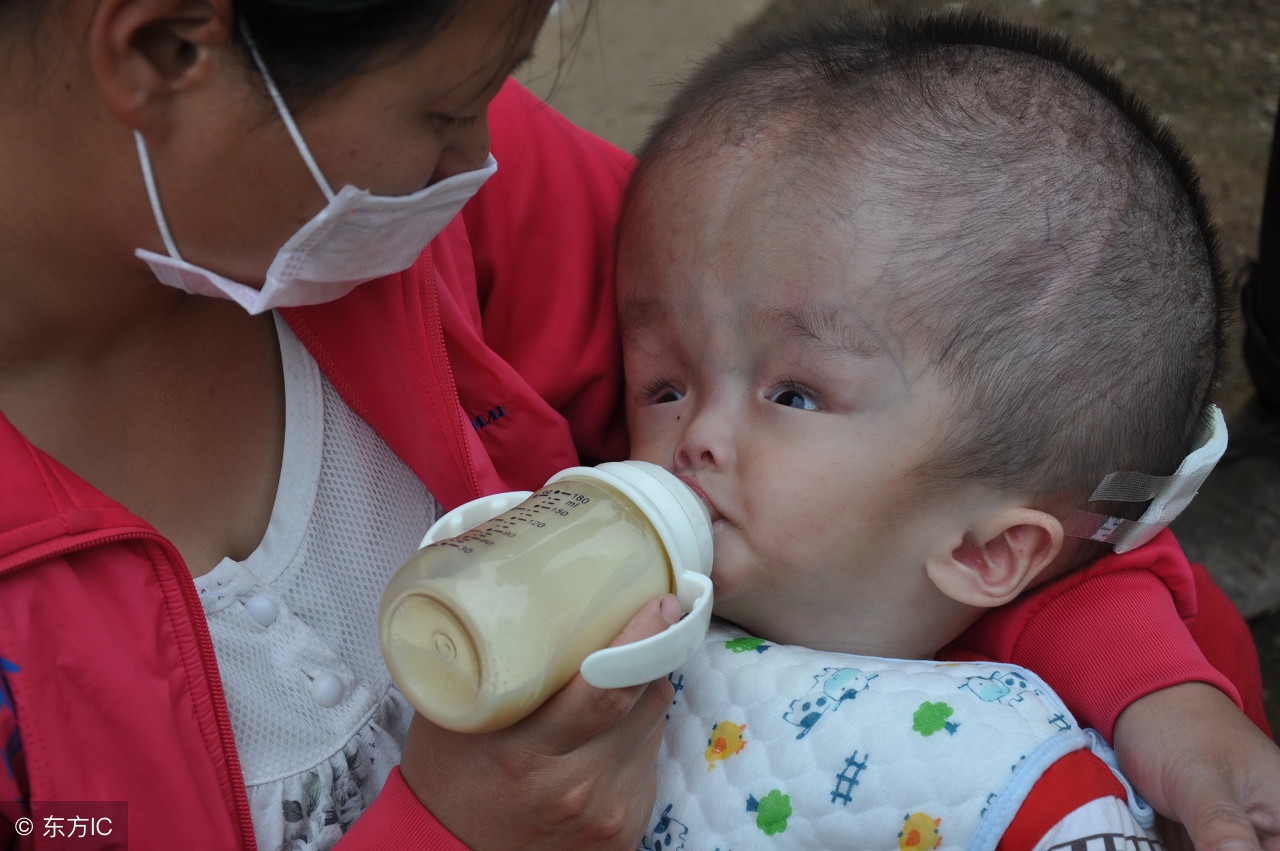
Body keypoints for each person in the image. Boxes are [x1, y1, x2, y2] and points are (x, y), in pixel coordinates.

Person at [0, 0, 1276, 849]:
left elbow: (1007, 414)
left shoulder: (448, 212)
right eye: (444, 113)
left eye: (491, 95)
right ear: (167, 47)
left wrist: (1151, 685)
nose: (476, 158)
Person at [613, 10, 1280, 850]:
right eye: (664, 385)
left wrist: (1155, 687)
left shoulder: (1094, 743)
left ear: (983, 554)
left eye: (796, 396)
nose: (696, 434)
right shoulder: (668, 560)